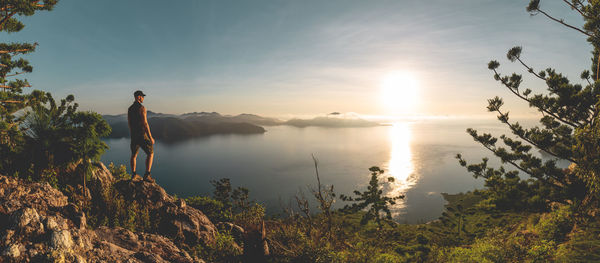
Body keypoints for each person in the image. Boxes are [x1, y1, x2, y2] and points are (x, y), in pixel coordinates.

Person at [128, 90, 155, 182]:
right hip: (142, 134)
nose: (143, 98)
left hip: (134, 135)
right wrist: (150, 137)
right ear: (139, 97)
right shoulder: (142, 108)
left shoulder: (130, 108)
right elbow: (145, 123)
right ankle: (147, 174)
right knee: (150, 153)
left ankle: (134, 174)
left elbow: (129, 123)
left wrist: (132, 134)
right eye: (142, 96)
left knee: (134, 155)